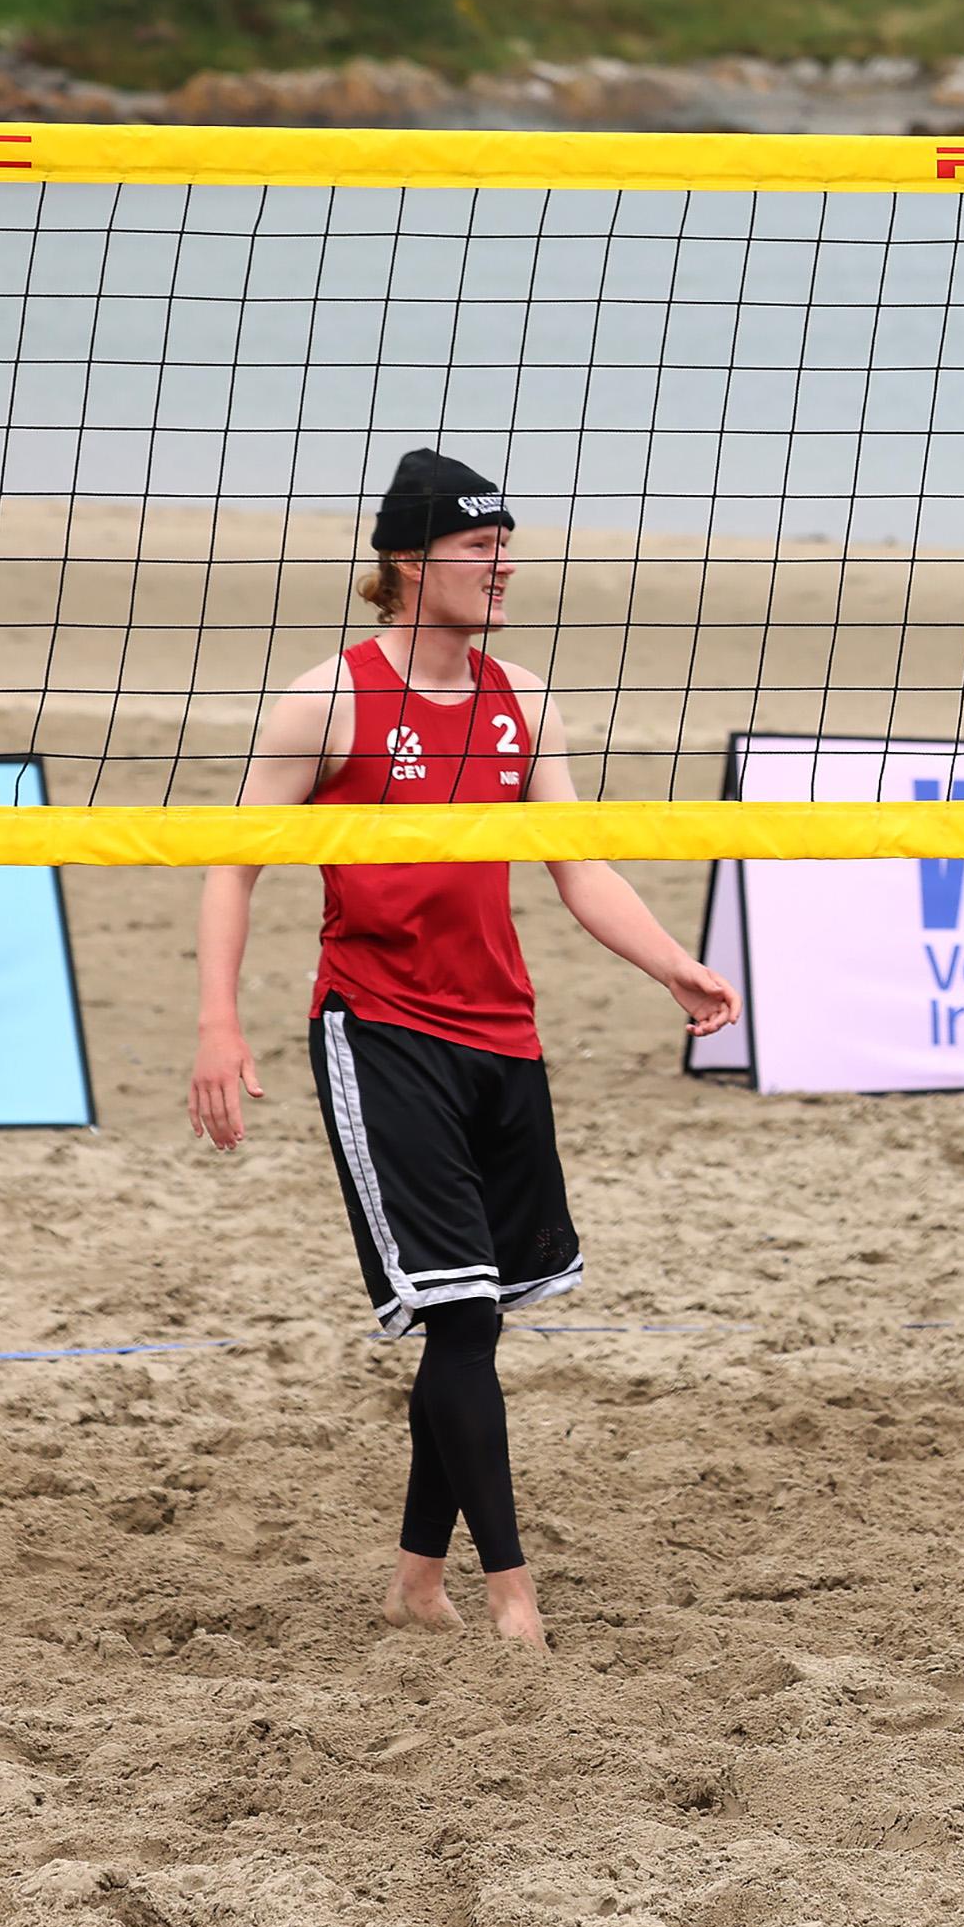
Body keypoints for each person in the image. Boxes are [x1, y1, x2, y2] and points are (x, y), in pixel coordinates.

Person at [184, 448, 737, 1649]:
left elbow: (578, 865)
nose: (504, 564)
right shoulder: (325, 698)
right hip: (378, 1029)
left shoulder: (522, 696)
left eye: (506, 544)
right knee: (465, 1318)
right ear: (405, 560)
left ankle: (415, 1582)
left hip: (503, 1032)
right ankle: (510, 1595)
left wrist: (671, 965)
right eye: (480, 546)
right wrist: (217, 1021)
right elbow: (233, 861)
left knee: (469, 1316)